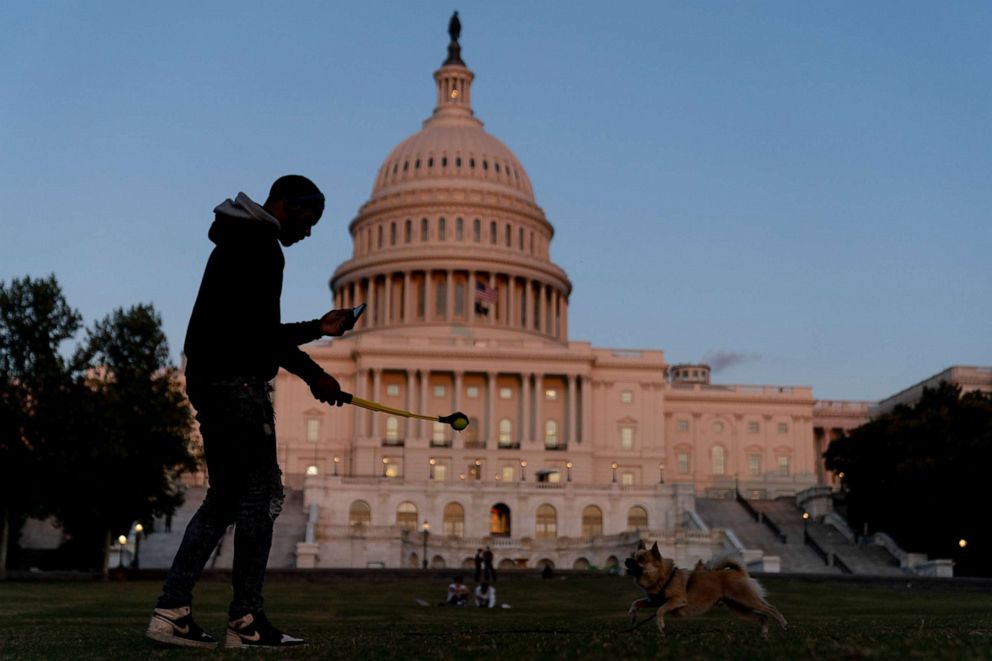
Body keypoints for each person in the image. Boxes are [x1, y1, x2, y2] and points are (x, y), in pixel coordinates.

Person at [145, 175, 354, 650]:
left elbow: (254, 327)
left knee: (223, 501)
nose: (308, 232)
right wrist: (314, 374)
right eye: (308, 219)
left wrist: (316, 328)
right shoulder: (262, 247)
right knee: (261, 498)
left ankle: (171, 610)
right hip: (236, 385)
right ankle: (246, 619)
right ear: (286, 204)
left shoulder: (239, 241)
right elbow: (259, 336)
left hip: (211, 378)